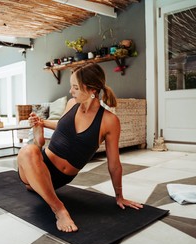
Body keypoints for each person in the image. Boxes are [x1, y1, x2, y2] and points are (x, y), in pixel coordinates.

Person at [17, 63, 143, 233]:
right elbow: (63, 125)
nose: (71, 91)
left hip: (59, 178)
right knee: (28, 151)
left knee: (33, 166)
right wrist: (42, 123)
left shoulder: (109, 121)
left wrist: (119, 196)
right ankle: (59, 210)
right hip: (41, 162)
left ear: (91, 90)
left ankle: (36, 182)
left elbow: (114, 164)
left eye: (75, 87)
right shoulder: (71, 104)